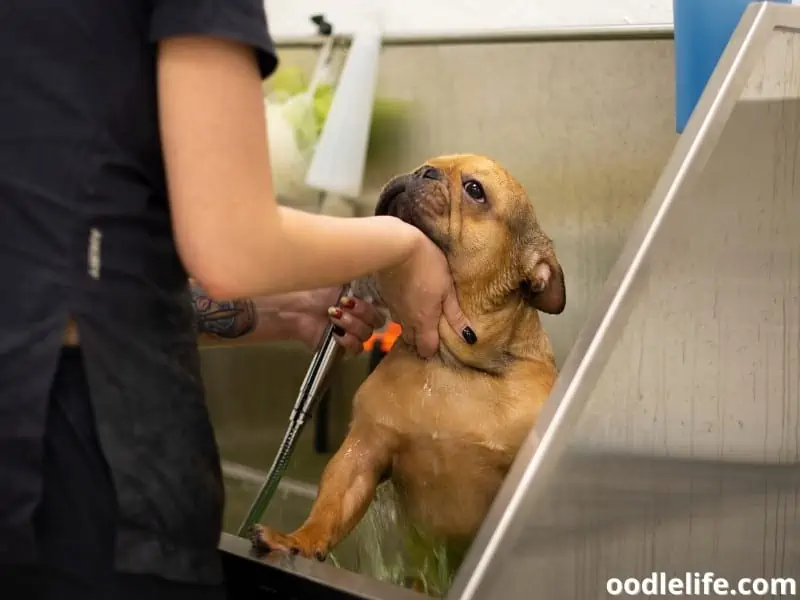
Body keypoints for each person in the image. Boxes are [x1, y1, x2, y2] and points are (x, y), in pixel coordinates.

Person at [0, 1, 478, 599]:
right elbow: (229, 245)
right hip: (84, 466)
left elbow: (64, 259)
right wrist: (402, 248)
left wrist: (282, 308)